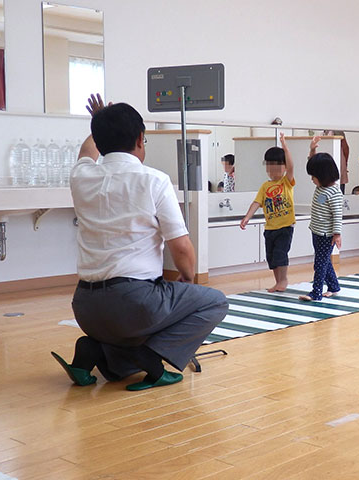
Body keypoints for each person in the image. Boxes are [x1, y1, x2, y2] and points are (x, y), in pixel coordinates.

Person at [51, 94, 228, 391]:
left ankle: (93, 351)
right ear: (139, 140)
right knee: (215, 302)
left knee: (119, 370)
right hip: (134, 304)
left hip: (86, 308)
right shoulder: (154, 180)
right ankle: (151, 359)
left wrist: (99, 121)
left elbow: (86, 151)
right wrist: (187, 278)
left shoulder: (81, 176)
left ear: (100, 140)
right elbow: (181, 246)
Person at [241, 132, 295, 292]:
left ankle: (283, 280)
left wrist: (285, 147)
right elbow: (257, 203)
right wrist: (247, 217)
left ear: (284, 167)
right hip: (270, 228)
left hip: (285, 227)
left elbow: (292, 166)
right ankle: (278, 281)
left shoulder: (286, 182)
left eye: (277, 166)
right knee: (271, 257)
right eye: (270, 167)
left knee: (280, 253)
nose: (273, 170)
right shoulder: (265, 186)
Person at [299, 137, 343, 301]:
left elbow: (337, 215)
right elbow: (313, 163)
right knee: (324, 261)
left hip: (326, 235)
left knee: (319, 264)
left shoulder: (334, 193)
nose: (312, 179)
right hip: (316, 231)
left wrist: (337, 234)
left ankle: (316, 293)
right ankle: (334, 287)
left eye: (314, 176)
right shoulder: (321, 187)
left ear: (323, 176)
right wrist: (312, 150)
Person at [324, 130, 349, 194]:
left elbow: (345, 148)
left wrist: (345, 164)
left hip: (338, 163)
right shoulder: (323, 132)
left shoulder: (337, 131)